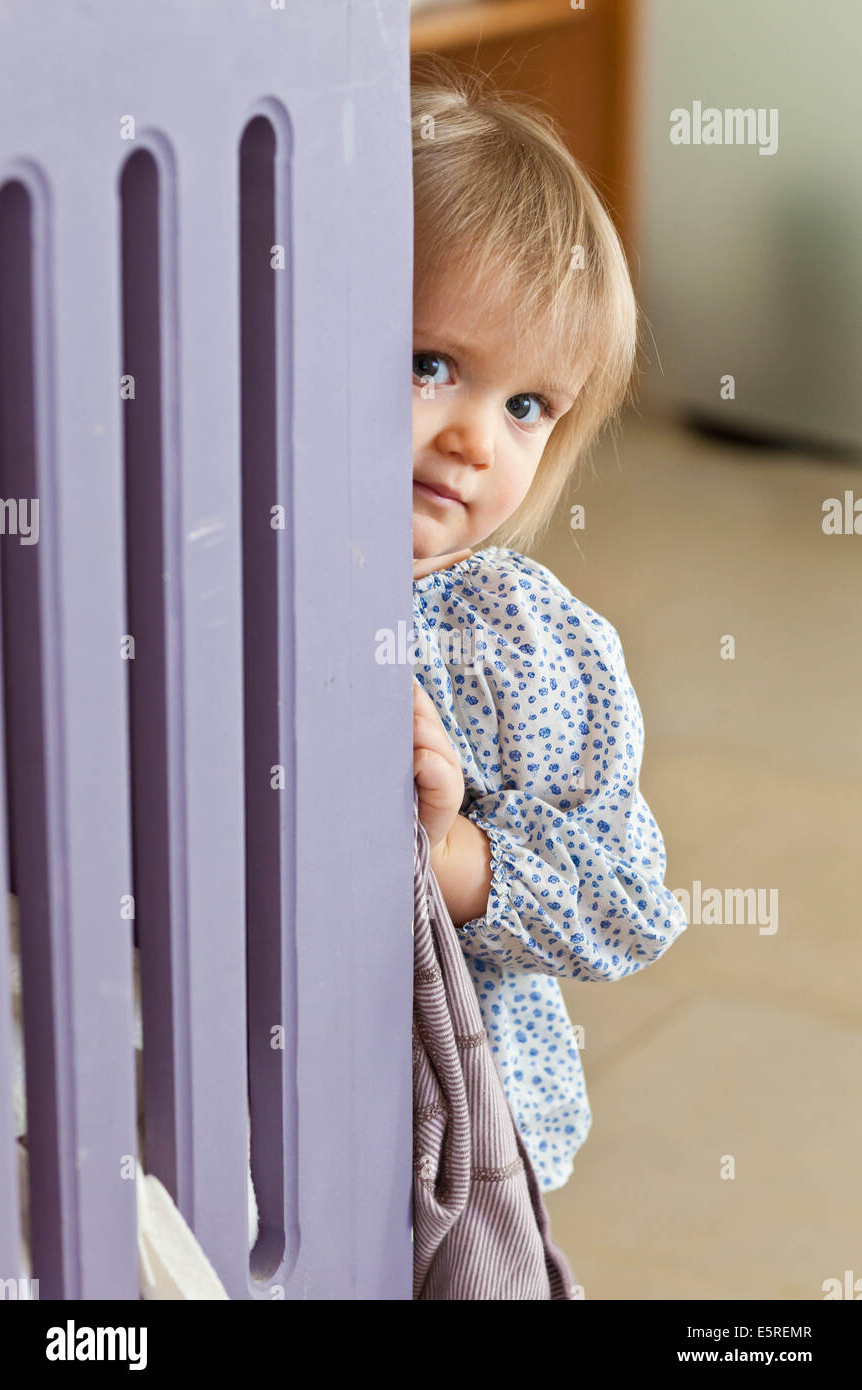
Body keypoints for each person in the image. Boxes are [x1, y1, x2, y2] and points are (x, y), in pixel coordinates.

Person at [411, 58, 688, 1196]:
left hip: (464, 1150)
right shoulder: (207, 578)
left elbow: (625, 902)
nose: (479, 439)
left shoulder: (515, 634)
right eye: (430, 366)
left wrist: (447, 858)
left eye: (527, 405)